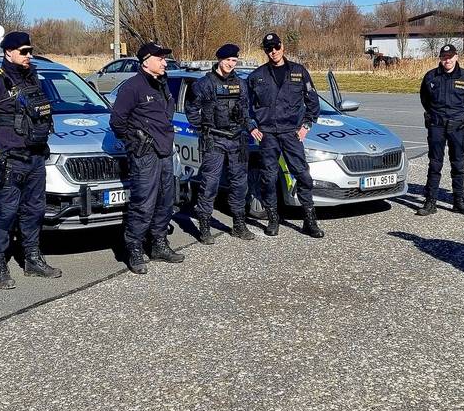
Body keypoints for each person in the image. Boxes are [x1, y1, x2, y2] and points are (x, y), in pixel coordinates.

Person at [0, 31, 62, 290]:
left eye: (30, 51)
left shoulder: (33, 78)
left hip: (35, 158)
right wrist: (2, 143)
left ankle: (32, 259)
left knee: (34, 212)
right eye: (23, 51)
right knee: (5, 214)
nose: (29, 55)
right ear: (8, 52)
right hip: (11, 160)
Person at [109, 42, 183, 274]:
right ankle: (134, 249)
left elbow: (166, 113)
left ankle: (159, 244)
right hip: (145, 155)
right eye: (160, 58)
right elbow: (117, 122)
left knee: (165, 200)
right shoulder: (132, 87)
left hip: (164, 151)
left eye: (164, 58)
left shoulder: (162, 84)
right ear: (146, 61)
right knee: (144, 204)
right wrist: (136, 141)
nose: (164, 62)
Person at [248, 33, 324, 238]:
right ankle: (273, 220)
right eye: (268, 49)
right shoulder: (256, 76)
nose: (273, 51)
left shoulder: (299, 72)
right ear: (265, 51)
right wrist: (251, 126)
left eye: (276, 47)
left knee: (303, 176)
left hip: (292, 134)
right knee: (269, 178)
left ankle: (310, 221)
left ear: (282, 46)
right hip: (268, 136)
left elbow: (313, 102)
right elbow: (245, 106)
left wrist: (306, 126)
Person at [186, 43, 256, 244]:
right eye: (228, 60)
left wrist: (250, 126)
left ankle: (239, 224)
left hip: (236, 139)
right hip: (214, 139)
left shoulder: (241, 85)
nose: (231, 64)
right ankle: (205, 226)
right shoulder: (204, 84)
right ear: (219, 60)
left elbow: (245, 111)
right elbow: (191, 109)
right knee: (210, 183)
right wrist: (202, 128)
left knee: (239, 184)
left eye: (234, 61)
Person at [417, 44, 464, 216]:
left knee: (458, 164)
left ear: (456, 57)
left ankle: (459, 202)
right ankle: (430, 202)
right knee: (435, 163)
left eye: (450, 57)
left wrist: (457, 114)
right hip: (437, 124)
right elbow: (424, 98)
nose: (447, 60)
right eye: (444, 57)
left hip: (458, 125)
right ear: (440, 59)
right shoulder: (431, 76)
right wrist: (437, 114)